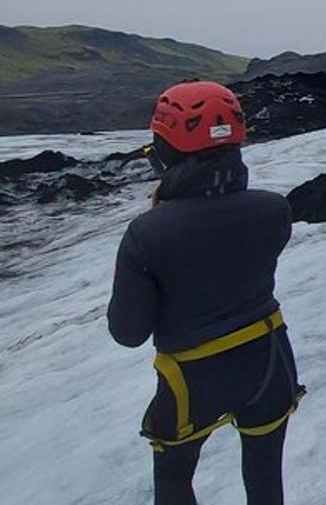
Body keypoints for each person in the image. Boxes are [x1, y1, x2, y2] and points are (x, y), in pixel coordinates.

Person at [107, 81, 304, 505]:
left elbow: (128, 331)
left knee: (175, 478)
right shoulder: (274, 209)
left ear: (167, 148)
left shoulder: (148, 233)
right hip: (269, 358)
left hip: (192, 377)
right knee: (265, 474)